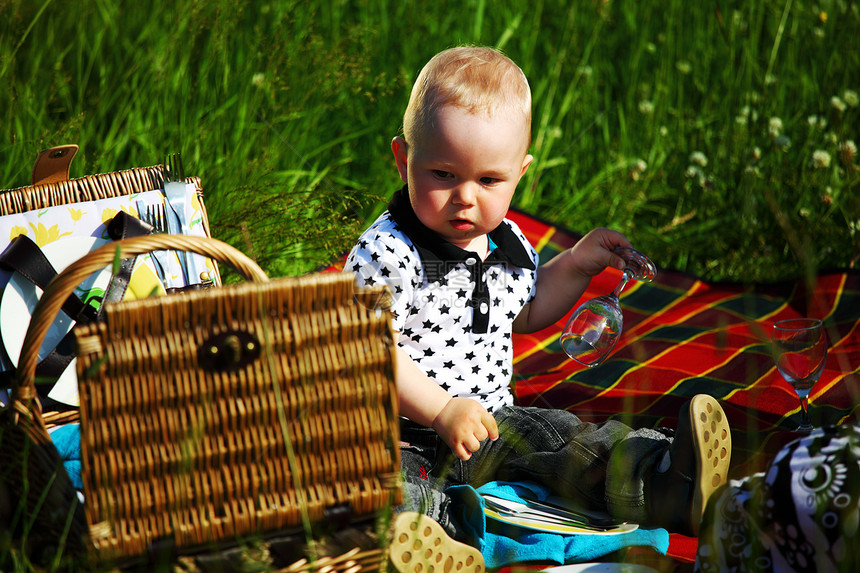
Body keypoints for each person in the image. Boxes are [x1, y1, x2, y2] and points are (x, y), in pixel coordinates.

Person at [344, 45, 732, 553]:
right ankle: (436, 535)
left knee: (563, 438)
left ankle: (665, 478)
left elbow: (526, 309)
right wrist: (440, 411)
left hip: (491, 423)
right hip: (398, 430)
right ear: (403, 159)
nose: (465, 196)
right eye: (443, 175)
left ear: (519, 174)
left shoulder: (505, 242)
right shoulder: (388, 251)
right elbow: (365, 347)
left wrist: (574, 264)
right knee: (373, 481)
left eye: (488, 180)